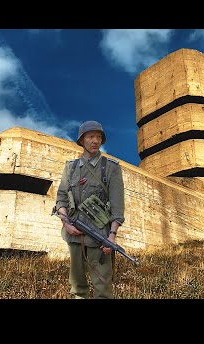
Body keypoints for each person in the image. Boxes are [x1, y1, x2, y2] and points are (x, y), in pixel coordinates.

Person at [55, 120, 125, 299]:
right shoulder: (70, 168)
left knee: (102, 286)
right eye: (91, 136)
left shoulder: (111, 167)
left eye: (99, 137)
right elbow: (61, 197)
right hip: (74, 234)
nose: (95, 141)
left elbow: (117, 205)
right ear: (82, 140)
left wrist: (111, 235)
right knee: (77, 286)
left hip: (99, 236)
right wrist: (66, 223)